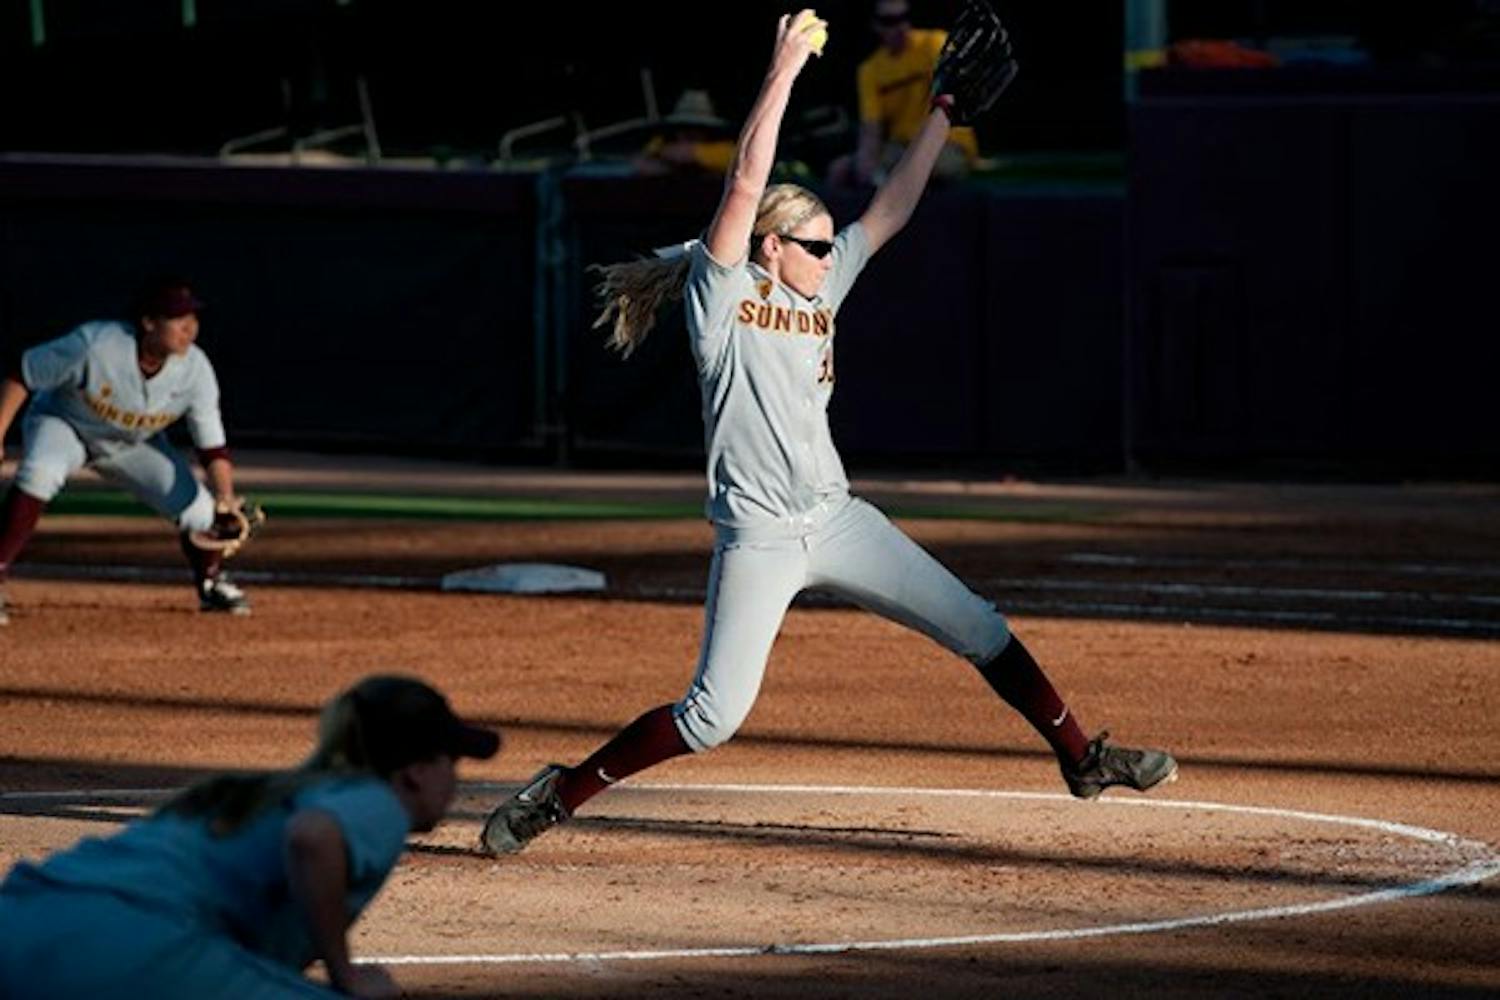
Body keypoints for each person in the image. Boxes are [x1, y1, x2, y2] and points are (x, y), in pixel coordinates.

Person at [480, 9, 1176, 857]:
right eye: (811, 243)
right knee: (712, 715)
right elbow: (743, 184)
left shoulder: (820, 286)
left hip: (838, 518)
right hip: (761, 536)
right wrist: (782, 71)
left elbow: (890, 210)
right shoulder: (722, 296)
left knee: (980, 627)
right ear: (770, 247)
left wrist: (943, 113)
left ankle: (1083, 758)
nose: (828, 251)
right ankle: (561, 792)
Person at [0, 673, 501, 998]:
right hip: (130, 942)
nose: (455, 779)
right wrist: (345, 973)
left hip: (27, 912)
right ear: (413, 770)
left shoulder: (262, 791)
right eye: (449, 761)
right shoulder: (378, 800)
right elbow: (313, 838)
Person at [0, 277, 254, 625]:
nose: (189, 328)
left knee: (199, 511)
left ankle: (211, 583)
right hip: (65, 423)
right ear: (149, 322)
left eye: (192, 319)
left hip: (130, 444)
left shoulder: (196, 370)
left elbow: (212, 446)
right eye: (177, 319)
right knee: (39, 473)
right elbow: (22, 373)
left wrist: (225, 497)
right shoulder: (95, 344)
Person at [827, 0, 980, 189]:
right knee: (841, 169)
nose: (900, 27)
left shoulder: (935, 43)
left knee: (918, 169)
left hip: (947, 144)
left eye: (903, 18)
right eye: (889, 21)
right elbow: (871, 127)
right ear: (875, 25)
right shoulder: (870, 70)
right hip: (901, 148)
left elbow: (956, 93)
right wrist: (866, 164)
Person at [633, 89, 738, 176]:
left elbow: (734, 160)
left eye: (696, 129)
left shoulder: (724, 148)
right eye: (684, 128)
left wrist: (695, 154)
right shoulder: (662, 141)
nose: (688, 134)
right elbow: (640, 162)